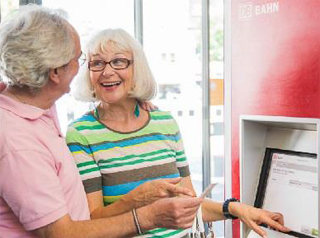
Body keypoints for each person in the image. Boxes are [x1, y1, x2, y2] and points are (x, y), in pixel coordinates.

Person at [0, 5, 204, 238]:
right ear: (55, 72)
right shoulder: (19, 141)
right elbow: (61, 234)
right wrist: (148, 217)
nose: (83, 68)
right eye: (80, 59)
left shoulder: (36, 103)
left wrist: (134, 99)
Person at [66, 28, 290, 238]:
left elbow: (189, 204)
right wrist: (134, 200)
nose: (107, 71)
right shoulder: (81, 134)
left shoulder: (165, 124)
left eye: (118, 61)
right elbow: (92, 220)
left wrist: (236, 209)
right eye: (97, 63)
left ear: (137, 68)